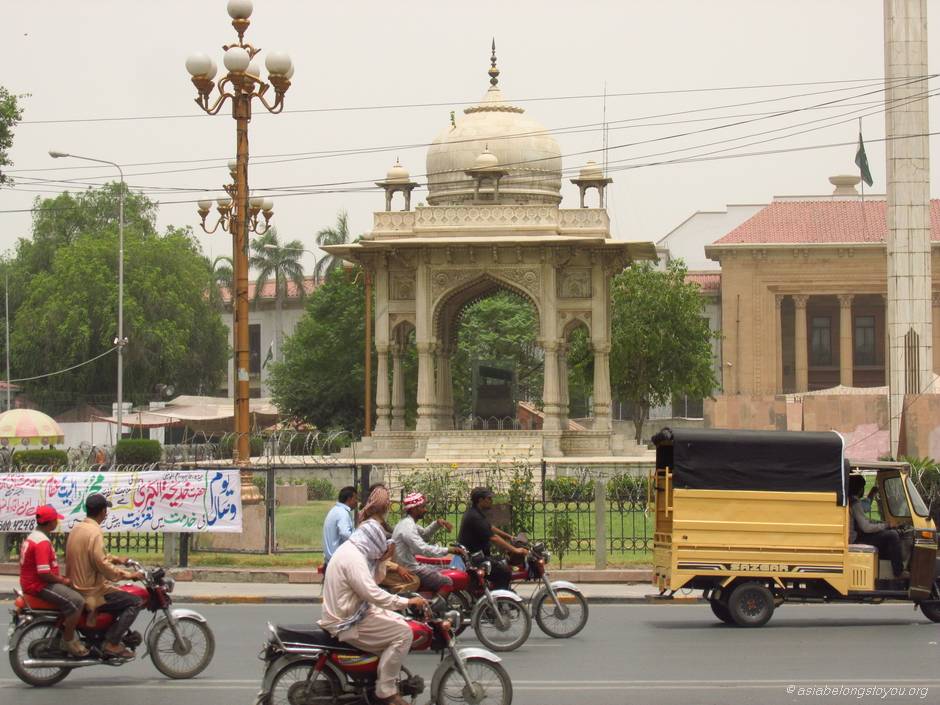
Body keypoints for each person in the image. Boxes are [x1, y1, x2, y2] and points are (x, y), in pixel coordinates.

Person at [319, 518, 428, 705]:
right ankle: (386, 691)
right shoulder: (353, 559)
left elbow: (374, 580)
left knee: (401, 622)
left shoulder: (354, 551)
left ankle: (374, 677)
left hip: (355, 610)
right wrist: (407, 602)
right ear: (371, 542)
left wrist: (383, 559)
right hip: (349, 619)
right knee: (403, 633)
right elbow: (372, 592)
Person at [65, 493, 145, 659]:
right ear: (102, 512)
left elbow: (93, 557)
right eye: (106, 510)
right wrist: (129, 575)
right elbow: (101, 563)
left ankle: (106, 634)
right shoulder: (95, 533)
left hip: (77, 585)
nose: (106, 513)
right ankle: (112, 643)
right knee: (135, 601)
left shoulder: (78, 529)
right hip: (91, 591)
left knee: (119, 592)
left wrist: (117, 559)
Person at [19, 505, 88, 657]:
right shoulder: (42, 542)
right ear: (50, 523)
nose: (57, 523)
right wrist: (63, 580)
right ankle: (68, 640)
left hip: (32, 583)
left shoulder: (33, 537)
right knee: (78, 601)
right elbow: (44, 573)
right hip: (39, 585)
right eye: (56, 520)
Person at [457, 487, 528, 590]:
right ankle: (501, 600)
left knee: (505, 562)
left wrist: (511, 537)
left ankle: (495, 593)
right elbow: (493, 538)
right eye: (489, 498)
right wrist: (515, 550)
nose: (491, 501)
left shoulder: (476, 512)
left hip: (478, 556)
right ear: (480, 500)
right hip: (475, 559)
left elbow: (491, 527)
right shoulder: (474, 516)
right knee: (504, 572)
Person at [391, 492, 462, 595]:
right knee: (447, 581)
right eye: (423, 507)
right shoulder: (407, 527)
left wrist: (437, 524)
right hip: (410, 568)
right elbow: (422, 549)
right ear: (414, 509)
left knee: (442, 569)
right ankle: (431, 609)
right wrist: (448, 550)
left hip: (410, 564)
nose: (425, 510)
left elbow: (424, 535)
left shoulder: (407, 523)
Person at [361, 484, 419, 593]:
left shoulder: (375, 521)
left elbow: (390, 532)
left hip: (379, 566)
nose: (389, 503)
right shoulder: (373, 526)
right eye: (387, 500)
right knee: (414, 580)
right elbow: (374, 559)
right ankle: (394, 604)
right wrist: (397, 567)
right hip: (372, 569)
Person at [848, 474, 908, 579]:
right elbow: (866, 527)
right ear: (860, 489)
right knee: (892, 535)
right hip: (855, 539)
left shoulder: (851, 500)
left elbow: (865, 516)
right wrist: (886, 525)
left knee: (886, 535)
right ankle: (898, 572)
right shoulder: (854, 502)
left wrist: (883, 524)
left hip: (856, 536)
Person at [323, 486, 358, 567]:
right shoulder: (342, 513)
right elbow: (345, 534)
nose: (357, 502)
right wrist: (359, 540)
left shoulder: (335, 510)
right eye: (355, 498)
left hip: (331, 559)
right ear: (349, 499)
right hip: (338, 561)